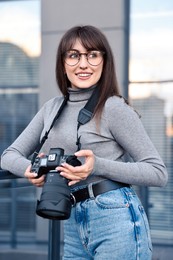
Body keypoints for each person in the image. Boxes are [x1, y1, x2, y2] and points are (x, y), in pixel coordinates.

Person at [1, 25, 168, 260]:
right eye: (73, 55)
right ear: (63, 63)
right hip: (71, 220)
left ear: (104, 61)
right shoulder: (52, 108)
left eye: (92, 55)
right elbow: (9, 154)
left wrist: (96, 165)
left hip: (115, 219)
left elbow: (157, 172)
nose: (83, 64)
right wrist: (31, 170)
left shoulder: (113, 107)